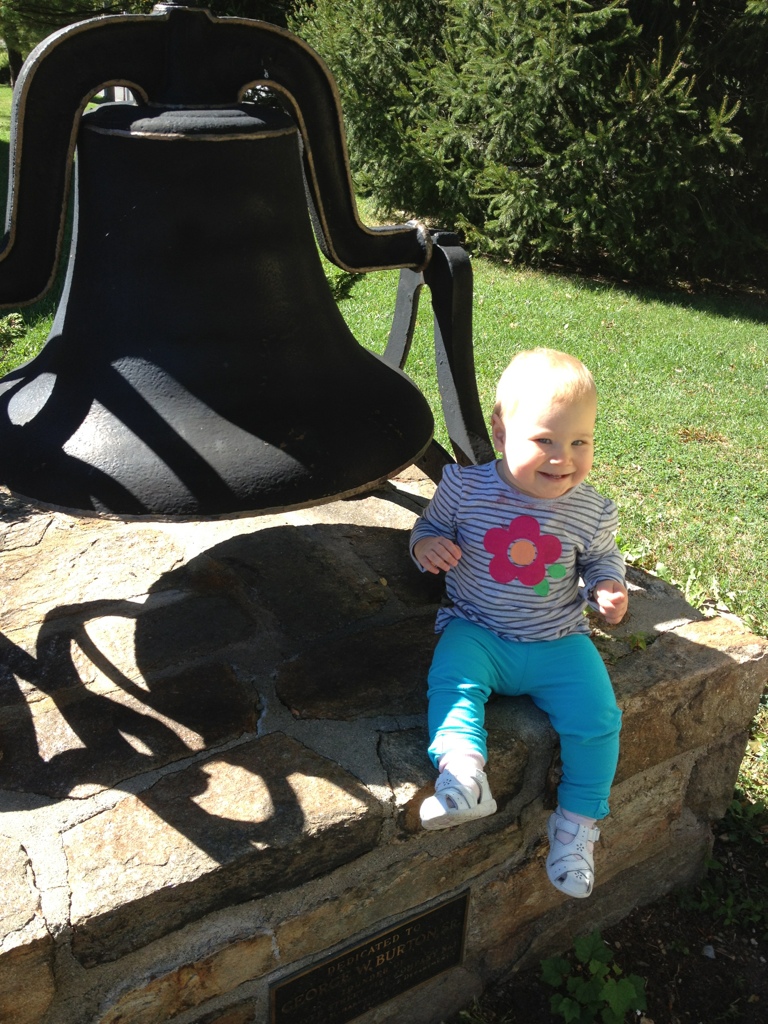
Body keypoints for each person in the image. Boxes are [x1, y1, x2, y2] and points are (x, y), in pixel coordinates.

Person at [410, 348, 627, 898]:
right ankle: (463, 775)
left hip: (559, 641)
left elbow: (602, 558)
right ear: (501, 432)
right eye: (545, 440)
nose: (563, 459)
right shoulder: (464, 487)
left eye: (580, 442)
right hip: (477, 629)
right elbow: (427, 529)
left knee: (599, 719)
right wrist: (427, 546)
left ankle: (575, 827)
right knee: (451, 681)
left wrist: (607, 584)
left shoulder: (592, 509)